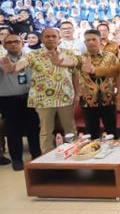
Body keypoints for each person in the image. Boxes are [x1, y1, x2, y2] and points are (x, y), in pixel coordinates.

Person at [1, 28, 76, 154]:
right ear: (42, 39)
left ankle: (74, 152)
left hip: (65, 97)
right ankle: (47, 160)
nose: (50, 39)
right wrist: (13, 68)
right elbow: (21, 64)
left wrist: (77, 94)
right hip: (43, 100)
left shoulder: (69, 53)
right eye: (47, 36)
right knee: (46, 131)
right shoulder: (33, 54)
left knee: (70, 129)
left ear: (59, 39)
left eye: (53, 36)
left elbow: (75, 74)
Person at [0, 34, 41, 170]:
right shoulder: (2, 60)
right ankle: (17, 159)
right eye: (9, 42)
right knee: (13, 131)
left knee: (34, 128)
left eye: (16, 41)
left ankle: (37, 156)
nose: (13, 44)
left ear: (22, 43)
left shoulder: (31, 57)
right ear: (4, 45)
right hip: (9, 101)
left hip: (31, 98)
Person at [74, 29, 118, 139]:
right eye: (88, 40)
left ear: (99, 40)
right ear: (84, 42)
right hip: (88, 101)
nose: (91, 42)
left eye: (94, 39)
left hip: (108, 99)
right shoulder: (80, 59)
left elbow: (117, 73)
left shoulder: (110, 56)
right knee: (92, 133)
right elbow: (70, 64)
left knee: (112, 131)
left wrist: (117, 89)